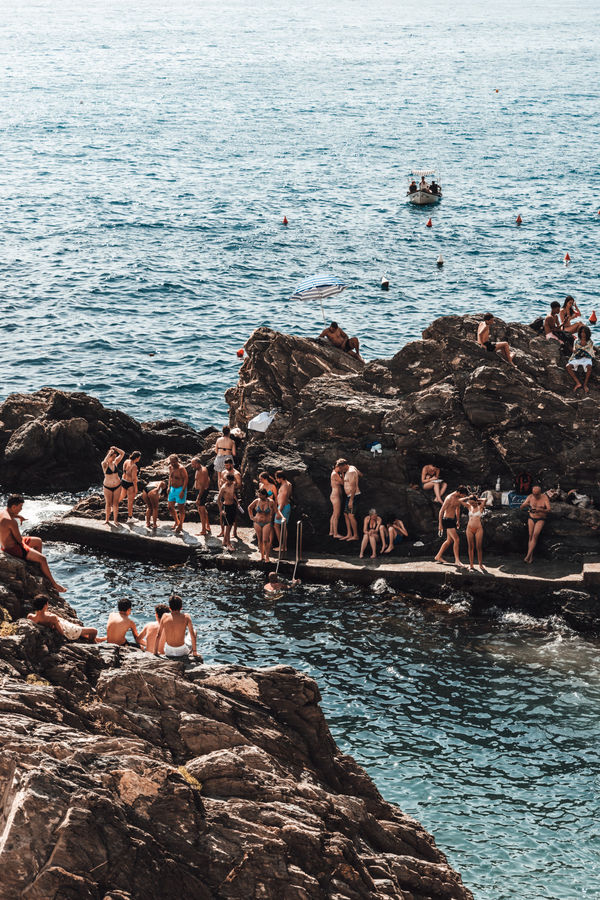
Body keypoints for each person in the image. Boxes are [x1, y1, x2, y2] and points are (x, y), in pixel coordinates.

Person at [0, 495, 66, 593]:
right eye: (20, 507)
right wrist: (28, 549)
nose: (21, 509)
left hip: (8, 544)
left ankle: (37, 566)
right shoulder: (11, 522)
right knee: (43, 559)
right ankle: (54, 583)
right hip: (13, 548)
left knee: (38, 541)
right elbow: (19, 540)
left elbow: (9, 519)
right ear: (14, 507)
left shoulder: (3, 513)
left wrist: (18, 516)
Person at [28, 594, 99, 641]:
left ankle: (96, 639)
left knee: (79, 627)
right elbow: (61, 632)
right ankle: (93, 642)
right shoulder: (52, 617)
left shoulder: (30, 616)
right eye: (47, 604)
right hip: (68, 630)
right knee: (94, 631)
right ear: (44, 606)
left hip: (66, 626)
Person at [154, 594, 199, 659]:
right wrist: (195, 652)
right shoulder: (186, 616)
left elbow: (158, 635)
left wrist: (155, 652)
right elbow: (192, 635)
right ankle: (193, 652)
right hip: (182, 651)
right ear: (181, 607)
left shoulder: (164, 616)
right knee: (194, 632)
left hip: (168, 651)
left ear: (170, 608)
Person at [435, 486, 468, 566]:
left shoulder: (458, 498)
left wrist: (458, 520)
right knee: (457, 539)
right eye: (463, 495)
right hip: (447, 520)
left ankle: (438, 556)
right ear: (459, 492)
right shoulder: (449, 498)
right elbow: (441, 511)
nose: (464, 497)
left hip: (452, 520)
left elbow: (457, 509)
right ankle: (457, 560)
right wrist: (440, 524)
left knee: (449, 541)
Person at [520, 486, 551, 564]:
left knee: (535, 535)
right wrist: (525, 505)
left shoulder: (544, 498)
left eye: (537, 494)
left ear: (540, 493)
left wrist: (539, 509)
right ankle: (530, 558)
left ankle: (527, 556)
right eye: (534, 494)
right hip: (531, 518)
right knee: (530, 536)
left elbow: (549, 510)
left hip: (540, 518)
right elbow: (521, 507)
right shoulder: (530, 497)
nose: (535, 496)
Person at [336, 458, 361, 541]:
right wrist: (343, 474)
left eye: (340, 468)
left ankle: (356, 535)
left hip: (354, 496)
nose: (340, 469)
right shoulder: (351, 468)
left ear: (344, 465)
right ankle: (349, 534)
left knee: (351, 515)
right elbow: (360, 474)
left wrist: (351, 500)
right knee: (346, 514)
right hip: (349, 496)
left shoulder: (351, 472)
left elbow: (354, 487)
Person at [248, 488, 276, 561]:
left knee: (265, 540)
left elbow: (276, 510)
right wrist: (251, 517)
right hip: (257, 522)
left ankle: (267, 557)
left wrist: (281, 517)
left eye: (260, 495)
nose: (259, 496)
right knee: (260, 540)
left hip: (267, 522)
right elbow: (249, 508)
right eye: (258, 495)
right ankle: (262, 556)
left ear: (264, 495)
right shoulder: (257, 501)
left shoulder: (271, 502)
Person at [461, 494, 487, 571]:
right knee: (470, 547)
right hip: (469, 529)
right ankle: (471, 565)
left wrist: (477, 499)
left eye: (473, 503)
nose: (471, 504)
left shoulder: (480, 507)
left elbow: (485, 499)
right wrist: (468, 498)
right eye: (470, 503)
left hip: (478, 529)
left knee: (478, 547)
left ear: (476, 501)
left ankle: (480, 564)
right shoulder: (469, 507)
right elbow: (460, 500)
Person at [218, 458, 242, 538]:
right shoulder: (224, 472)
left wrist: (231, 487)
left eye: (228, 465)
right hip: (224, 494)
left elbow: (239, 485)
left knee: (234, 514)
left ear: (232, 464)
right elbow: (221, 481)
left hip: (233, 494)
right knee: (222, 513)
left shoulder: (236, 474)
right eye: (225, 465)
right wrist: (222, 487)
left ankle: (234, 532)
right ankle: (222, 531)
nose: (226, 467)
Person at [566, 325, 594, 393]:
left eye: (584, 332)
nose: (583, 334)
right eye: (582, 332)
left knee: (589, 367)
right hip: (577, 357)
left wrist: (581, 351)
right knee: (568, 366)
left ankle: (585, 384)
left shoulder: (590, 342)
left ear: (587, 333)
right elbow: (574, 349)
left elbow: (589, 352)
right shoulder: (576, 341)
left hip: (586, 357)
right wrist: (574, 350)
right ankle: (578, 383)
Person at [101, 446, 125, 525]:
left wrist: (116, 448)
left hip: (117, 486)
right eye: (113, 456)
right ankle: (107, 520)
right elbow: (104, 462)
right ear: (109, 456)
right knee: (108, 503)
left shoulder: (115, 463)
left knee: (115, 503)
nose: (114, 458)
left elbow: (122, 453)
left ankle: (115, 520)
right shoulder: (105, 465)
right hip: (107, 487)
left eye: (115, 456)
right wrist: (109, 453)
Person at [167, 454, 188, 533]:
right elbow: (170, 477)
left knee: (181, 508)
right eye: (171, 462)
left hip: (180, 489)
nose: (172, 464)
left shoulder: (181, 468)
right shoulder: (170, 467)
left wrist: (183, 491)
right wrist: (169, 487)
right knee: (170, 507)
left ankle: (180, 525)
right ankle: (177, 521)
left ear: (177, 461)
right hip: (172, 489)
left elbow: (186, 479)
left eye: (174, 462)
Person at [217, 473, 238, 551]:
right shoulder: (223, 487)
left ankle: (224, 541)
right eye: (229, 481)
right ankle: (229, 544)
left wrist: (237, 501)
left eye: (231, 481)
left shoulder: (233, 484)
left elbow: (233, 493)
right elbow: (218, 500)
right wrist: (221, 510)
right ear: (226, 480)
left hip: (233, 506)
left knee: (230, 525)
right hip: (226, 507)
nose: (230, 482)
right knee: (228, 526)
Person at [191, 458, 211, 535]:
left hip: (201, 491)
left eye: (193, 464)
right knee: (203, 509)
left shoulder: (203, 471)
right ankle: (208, 526)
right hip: (198, 490)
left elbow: (203, 486)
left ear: (197, 463)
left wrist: (198, 497)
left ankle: (203, 530)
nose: (192, 466)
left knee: (201, 510)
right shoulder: (198, 469)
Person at [273, 470, 292, 553]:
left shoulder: (284, 486)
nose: (276, 480)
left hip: (282, 507)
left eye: (277, 478)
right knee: (283, 526)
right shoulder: (289, 484)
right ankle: (283, 546)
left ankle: (282, 546)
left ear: (280, 478)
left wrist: (279, 512)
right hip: (286, 506)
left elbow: (283, 499)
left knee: (277, 526)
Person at [119, 451, 141, 522]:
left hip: (123, 481)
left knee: (121, 496)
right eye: (139, 458)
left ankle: (112, 506)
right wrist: (136, 488)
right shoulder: (134, 466)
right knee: (130, 501)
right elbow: (134, 479)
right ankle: (130, 517)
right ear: (137, 458)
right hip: (130, 484)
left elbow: (124, 471)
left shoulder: (126, 461)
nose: (139, 459)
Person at [329, 464, 345, 538]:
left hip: (335, 495)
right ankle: (335, 534)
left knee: (334, 514)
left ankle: (331, 532)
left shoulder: (334, 473)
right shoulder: (335, 474)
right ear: (337, 467)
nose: (341, 469)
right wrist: (343, 474)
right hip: (336, 496)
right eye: (340, 468)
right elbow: (343, 483)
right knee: (336, 515)